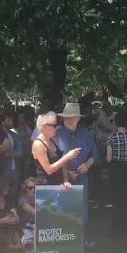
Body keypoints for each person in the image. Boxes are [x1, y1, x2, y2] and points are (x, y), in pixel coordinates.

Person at [55, 103, 95, 245]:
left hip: (82, 176)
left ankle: (81, 239)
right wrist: (66, 172)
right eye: (66, 117)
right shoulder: (57, 132)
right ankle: (65, 240)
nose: (68, 120)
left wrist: (87, 164)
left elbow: (93, 155)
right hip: (62, 177)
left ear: (78, 118)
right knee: (62, 208)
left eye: (72, 117)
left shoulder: (87, 134)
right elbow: (54, 156)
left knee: (82, 208)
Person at [32, 112, 78, 185]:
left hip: (58, 185)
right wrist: (67, 157)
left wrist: (66, 180)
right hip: (45, 187)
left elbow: (62, 163)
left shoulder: (53, 140)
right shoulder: (38, 144)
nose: (56, 128)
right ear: (44, 126)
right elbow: (49, 170)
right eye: (54, 125)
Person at [0, 111, 23, 200]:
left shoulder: (14, 135)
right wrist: (8, 152)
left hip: (15, 169)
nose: (11, 122)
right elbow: (2, 153)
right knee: (2, 193)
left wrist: (9, 153)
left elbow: (20, 152)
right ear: (2, 122)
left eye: (11, 120)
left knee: (13, 193)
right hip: (3, 169)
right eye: (8, 120)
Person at [18, 177, 37, 253]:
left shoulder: (40, 197)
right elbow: (34, 212)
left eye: (35, 187)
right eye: (30, 188)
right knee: (29, 249)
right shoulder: (22, 199)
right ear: (26, 189)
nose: (33, 190)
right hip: (27, 228)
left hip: (39, 226)